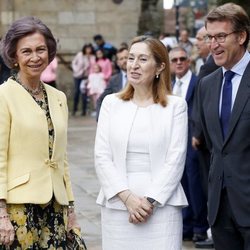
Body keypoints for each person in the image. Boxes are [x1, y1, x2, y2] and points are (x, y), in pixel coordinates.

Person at [95, 35, 188, 250]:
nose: (134, 65)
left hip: (161, 208)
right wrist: (127, 198)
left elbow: (175, 159)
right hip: (118, 206)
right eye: (130, 58)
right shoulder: (111, 103)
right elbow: (101, 156)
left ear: (159, 67)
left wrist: (149, 201)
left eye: (143, 59)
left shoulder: (176, 106)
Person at [0, 16, 80, 249]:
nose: (35, 57)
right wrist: (1, 213)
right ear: (14, 57)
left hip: (56, 206)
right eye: (26, 51)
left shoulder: (58, 97)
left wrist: (70, 207)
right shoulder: (4, 96)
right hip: (19, 209)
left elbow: (62, 159)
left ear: (49, 52)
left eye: (41, 50)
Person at [195, 3, 250, 250]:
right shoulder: (206, 85)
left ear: (241, 36)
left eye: (220, 36)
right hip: (219, 210)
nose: (213, 44)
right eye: (209, 37)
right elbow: (211, 145)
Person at [169, 47, 209, 244]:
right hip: (173, 142)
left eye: (182, 59)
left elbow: (203, 109)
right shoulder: (167, 85)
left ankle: (199, 227)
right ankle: (185, 226)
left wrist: (197, 133)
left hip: (193, 141)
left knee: (195, 186)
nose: (178, 62)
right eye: (174, 59)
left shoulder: (199, 82)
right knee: (178, 183)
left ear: (189, 61)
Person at [192, 26, 219, 250]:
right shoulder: (207, 67)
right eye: (207, 38)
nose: (206, 43)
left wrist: (197, 133)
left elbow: (202, 107)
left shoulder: (211, 65)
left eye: (202, 39)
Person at [96, 47, 128, 120]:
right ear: (118, 63)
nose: (124, 60)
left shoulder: (139, 77)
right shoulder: (113, 80)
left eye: (126, 57)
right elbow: (100, 100)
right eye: (121, 59)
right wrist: (100, 120)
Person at [72, 43, 95, 116]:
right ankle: (74, 109)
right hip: (77, 76)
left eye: (89, 49)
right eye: (87, 48)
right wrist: (76, 70)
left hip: (86, 77)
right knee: (76, 92)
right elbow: (73, 63)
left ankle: (84, 110)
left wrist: (89, 59)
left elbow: (93, 66)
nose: (88, 50)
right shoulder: (80, 54)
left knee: (84, 94)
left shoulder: (92, 57)